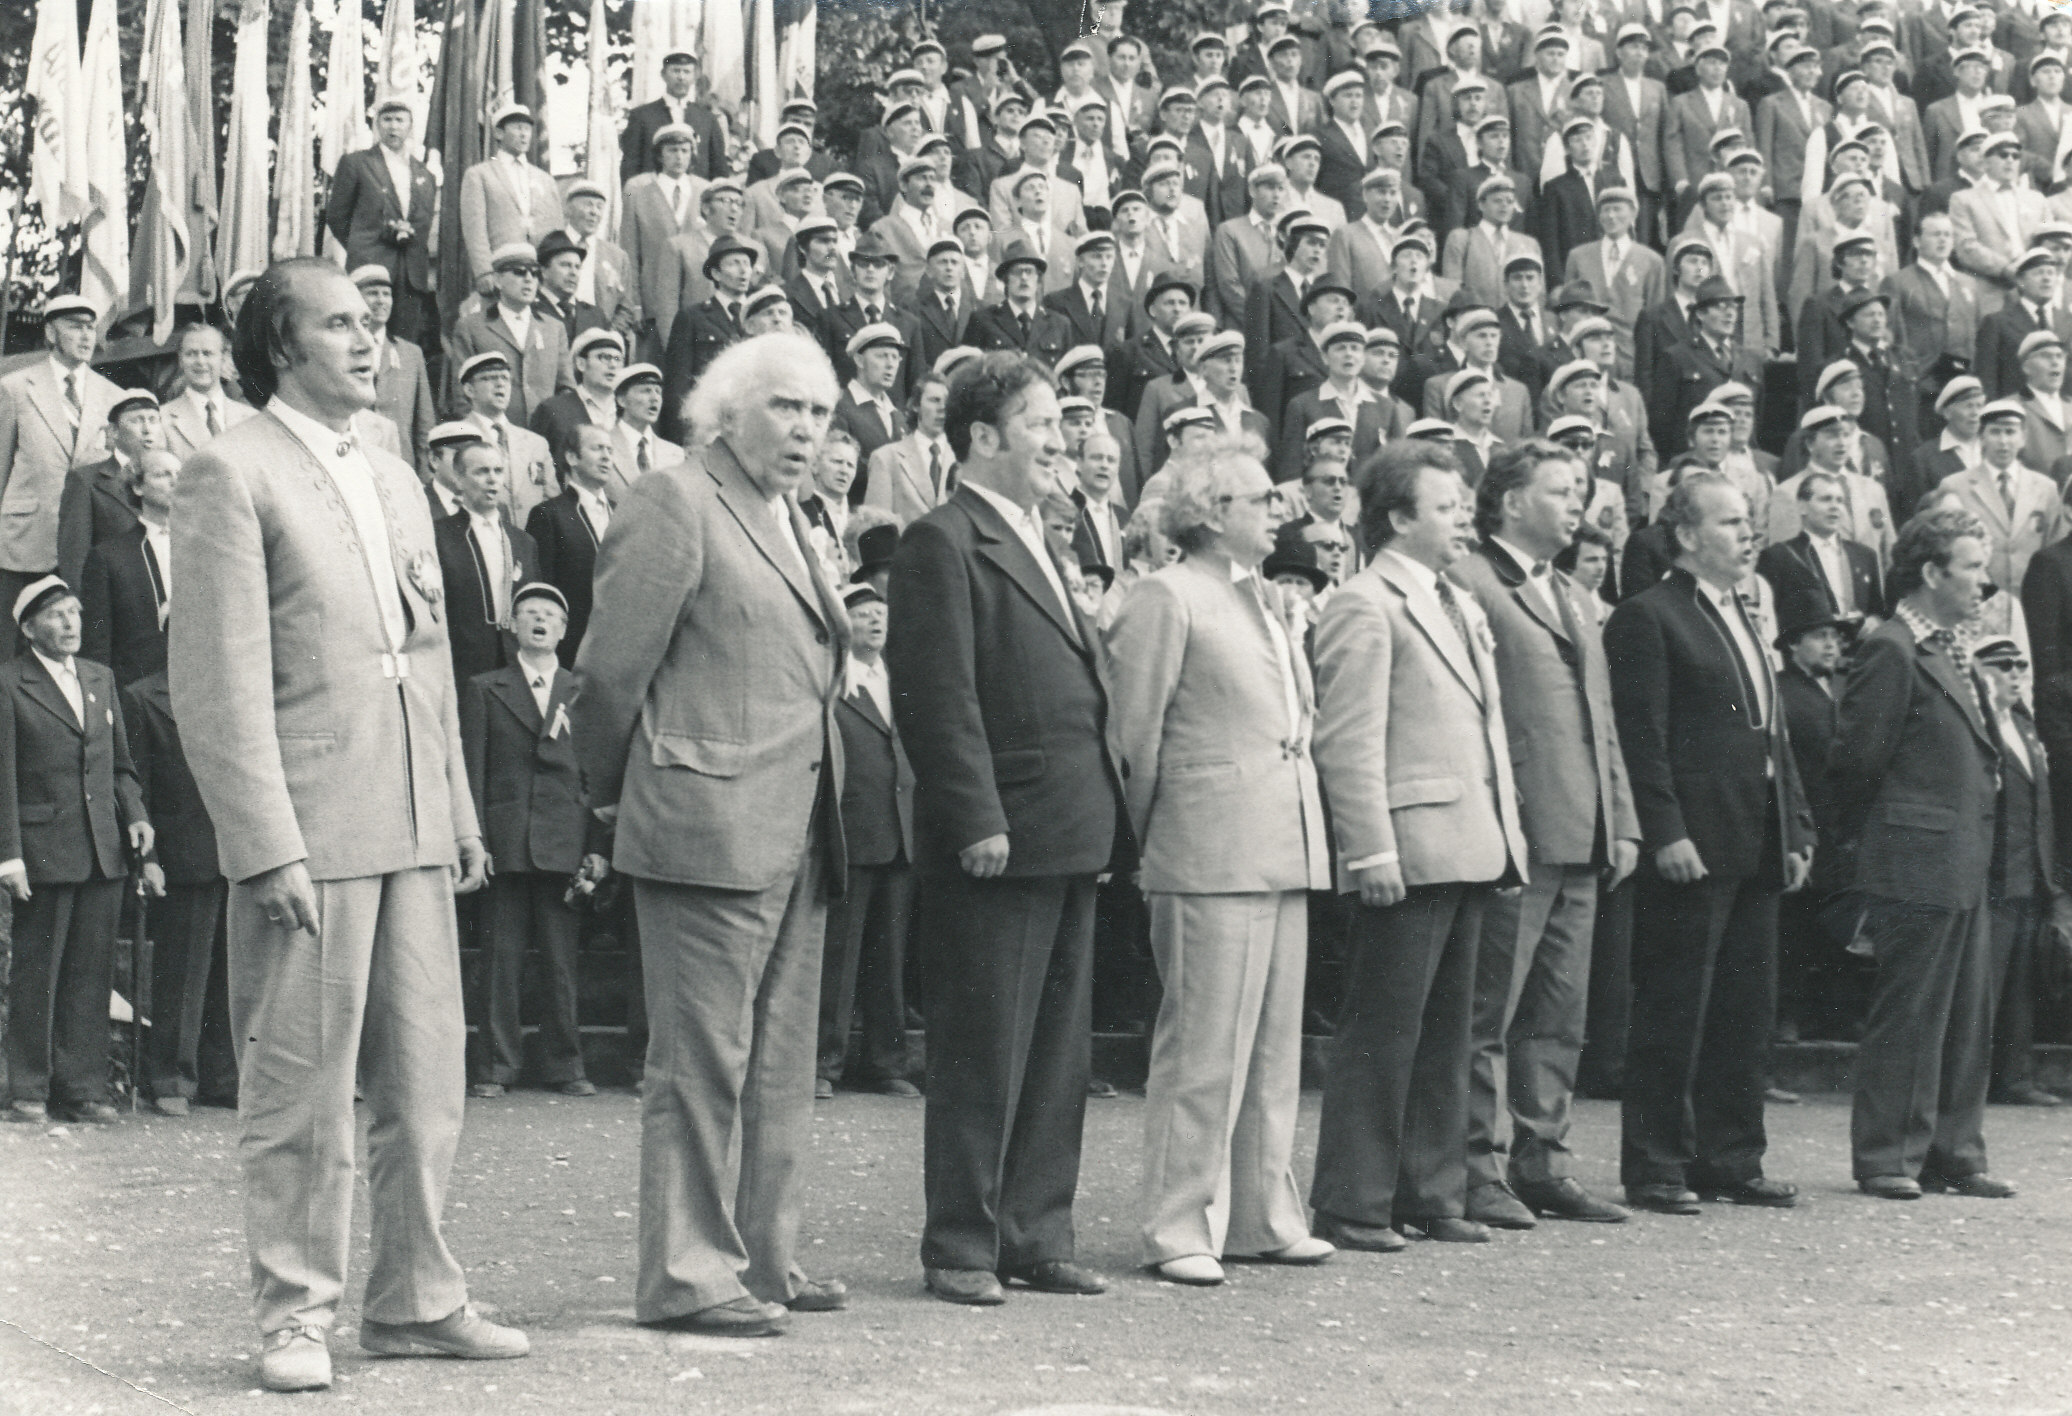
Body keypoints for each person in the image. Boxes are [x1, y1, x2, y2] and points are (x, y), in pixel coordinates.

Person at [170, 259, 521, 1391]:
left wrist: (459, 810)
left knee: (425, 1088)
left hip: (413, 819)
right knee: (301, 1092)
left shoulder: (397, 476)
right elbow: (218, 682)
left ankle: (417, 1298)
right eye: (338, 326)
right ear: (279, 348)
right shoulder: (230, 469)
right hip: (310, 832)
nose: (369, 342)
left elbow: (426, 657)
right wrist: (264, 842)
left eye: (371, 324)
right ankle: (295, 1315)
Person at [571, 332, 850, 1337]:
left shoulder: (789, 515)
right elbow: (607, 676)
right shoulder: (673, 497)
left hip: (799, 826)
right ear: (724, 414)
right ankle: (686, 1276)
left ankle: (762, 1260)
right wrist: (616, 802)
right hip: (705, 823)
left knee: (777, 1061)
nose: (806, 429)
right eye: (785, 407)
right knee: (697, 1064)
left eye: (818, 413)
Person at [885, 350, 1129, 1306]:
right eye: (1040, 424)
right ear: (982, 437)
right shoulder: (940, 541)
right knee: (985, 1046)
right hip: (999, 836)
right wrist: (976, 815)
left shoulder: (1039, 535)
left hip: (1068, 828)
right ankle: (961, 1245)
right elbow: (938, 698)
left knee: (1058, 1053)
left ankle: (1036, 1233)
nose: (1060, 443)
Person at [1105, 440, 1334, 1286]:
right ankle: (1178, 1226)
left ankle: (1263, 1216)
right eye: (1258, 499)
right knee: (1203, 1048)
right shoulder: (1168, 596)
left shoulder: (1267, 601)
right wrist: (1151, 839)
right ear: (1209, 513)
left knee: (1274, 1049)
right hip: (1205, 846)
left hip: (1282, 842)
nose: (1277, 511)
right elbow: (1136, 738)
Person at [1307, 440, 1529, 1253]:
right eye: (1445, 507)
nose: (1463, 518)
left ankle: (1431, 1193)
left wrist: (1508, 838)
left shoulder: (1456, 601)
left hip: (1470, 842)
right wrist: (1370, 853)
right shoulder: (1364, 602)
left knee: (1446, 1036)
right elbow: (1347, 741)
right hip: (1406, 849)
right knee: (1382, 1032)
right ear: (1398, 519)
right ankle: (1353, 1201)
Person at [1604, 473, 1815, 1215]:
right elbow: (1642, 737)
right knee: (1674, 1005)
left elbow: (1773, 735)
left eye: (1749, 522)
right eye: (1730, 523)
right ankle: (1657, 1162)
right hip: (1692, 841)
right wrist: (1665, 830)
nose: (1748, 534)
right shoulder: (1648, 616)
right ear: (1687, 535)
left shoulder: (1745, 614)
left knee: (1744, 1009)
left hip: (1755, 837)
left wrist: (1795, 828)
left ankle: (1730, 1156)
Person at [1451, 441, 1639, 1230]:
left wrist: (1622, 818)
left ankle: (1544, 1159)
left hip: (1582, 835)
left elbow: (1600, 718)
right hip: (1517, 833)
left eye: (1581, 492)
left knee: (1559, 1014)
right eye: (1560, 491)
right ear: (1510, 500)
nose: (1577, 505)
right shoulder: (1472, 581)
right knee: (1489, 1013)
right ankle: (1472, 1166)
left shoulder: (1569, 590)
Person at [1834, 507, 2014, 1199]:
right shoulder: (1891, 649)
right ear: (1931, 572)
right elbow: (1856, 764)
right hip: (1915, 855)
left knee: (1966, 1011)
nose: (1985, 582)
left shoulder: (1944, 647)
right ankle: (1886, 1154)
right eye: (1972, 567)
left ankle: (1952, 1151)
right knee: (1910, 1011)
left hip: (1959, 854)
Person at [0, 574, 152, 1128]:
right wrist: (8, 854)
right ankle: (28, 1090)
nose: (71, 625)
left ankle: (83, 1088)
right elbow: (3, 777)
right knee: (38, 971)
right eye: (58, 615)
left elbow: (120, 767)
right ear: (28, 626)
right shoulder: (10, 683)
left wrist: (135, 816)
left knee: (90, 974)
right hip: (41, 849)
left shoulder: (99, 678)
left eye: (76, 614)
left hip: (102, 848)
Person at [459, 582, 601, 1100]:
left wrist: (595, 846)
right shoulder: (485, 688)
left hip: (564, 841)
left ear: (564, 631)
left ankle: (566, 1065)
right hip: (507, 841)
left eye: (550, 615)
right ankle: (496, 1067)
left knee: (561, 962)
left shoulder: (580, 689)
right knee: (502, 960)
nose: (540, 621)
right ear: (513, 626)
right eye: (529, 614)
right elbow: (472, 769)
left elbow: (594, 772)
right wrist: (473, 837)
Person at [819, 582, 920, 1101]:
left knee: (891, 954)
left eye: (882, 613)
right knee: (839, 953)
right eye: (862, 615)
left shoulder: (900, 680)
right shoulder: (834, 681)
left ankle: (886, 1062)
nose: (875, 622)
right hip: (851, 834)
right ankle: (824, 1062)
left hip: (901, 834)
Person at [123, 657, 235, 1116]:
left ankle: (223, 1078)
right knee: (181, 974)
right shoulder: (143, 696)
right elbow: (136, 785)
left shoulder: (232, 689)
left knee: (231, 974)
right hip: (182, 854)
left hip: (236, 853)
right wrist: (147, 859)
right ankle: (170, 1079)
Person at [1971, 636, 2066, 1107]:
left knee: (2020, 984)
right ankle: (1969, 1081)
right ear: (1979, 672)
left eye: (2019, 666)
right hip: (1994, 873)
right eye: (2002, 665)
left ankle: (2013, 1077)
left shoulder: (2024, 727)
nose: (2014, 674)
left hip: (2029, 873)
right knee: (1983, 983)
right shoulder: (1982, 726)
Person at [0, 296, 123, 648]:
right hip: (26, 538)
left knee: (77, 638)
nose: (86, 336)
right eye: (74, 327)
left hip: (85, 540)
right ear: (51, 333)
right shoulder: (16, 387)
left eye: (90, 328)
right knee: (14, 642)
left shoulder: (112, 396)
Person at [325, 99, 440, 354]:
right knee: (363, 337)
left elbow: (424, 223)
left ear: (411, 127)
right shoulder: (357, 163)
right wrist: (365, 244)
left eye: (400, 120)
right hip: (370, 266)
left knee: (404, 345)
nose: (393, 126)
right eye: (387, 120)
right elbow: (337, 216)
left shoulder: (425, 175)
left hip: (411, 273)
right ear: (377, 125)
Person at [1938, 395, 2070, 593]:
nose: (2003, 441)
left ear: (2023, 437)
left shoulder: (2046, 488)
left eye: (2010, 432)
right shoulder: (1955, 487)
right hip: (1979, 601)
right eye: (1995, 432)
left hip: (2035, 600)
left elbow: (2057, 549)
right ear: (1981, 437)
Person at [78, 449, 176, 689]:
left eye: (180, 473)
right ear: (138, 487)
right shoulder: (108, 556)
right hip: (138, 690)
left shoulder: (206, 547)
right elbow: (96, 646)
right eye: (163, 475)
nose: (176, 481)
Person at [449, 242, 574, 429]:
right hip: (493, 437)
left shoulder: (554, 328)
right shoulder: (471, 327)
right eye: (519, 272)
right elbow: (462, 394)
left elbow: (566, 389)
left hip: (544, 437)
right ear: (498, 280)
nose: (529, 279)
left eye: (534, 273)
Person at [526, 423, 615, 666]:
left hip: (618, 647)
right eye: (597, 448)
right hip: (572, 649)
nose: (607, 456)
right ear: (572, 457)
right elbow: (544, 590)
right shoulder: (549, 514)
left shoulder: (624, 512)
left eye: (610, 450)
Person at [1756, 468, 1889, 628]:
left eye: (1840, 501)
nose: (1835, 507)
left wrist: (1874, 621)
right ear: (1802, 507)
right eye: (1826, 499)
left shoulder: (1865, 555)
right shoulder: (1778, 557)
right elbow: (1772, 618)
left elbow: (1878, 611)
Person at [458, 106, 564, 290]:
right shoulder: (479, 175)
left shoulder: (545, 179)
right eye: (517, 127)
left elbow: (557, 228)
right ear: (499, 133)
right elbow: (475, 229)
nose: (524, 134)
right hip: (502, 271)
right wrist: (484, 272)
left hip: (542, 275)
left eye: (527, 128)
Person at [619, 51, 729, 182]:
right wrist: (631, 199)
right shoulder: (642, 116)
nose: (681, 77)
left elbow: (719, 169)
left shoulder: (708, 119)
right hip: (653, 196)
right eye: (676, 71)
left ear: (694, 77)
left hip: (696, 198)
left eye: (686, 72)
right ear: (663, 75)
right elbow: (629, 169)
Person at [161, 323, 257, 459]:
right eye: (191, 354)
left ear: (223, 358)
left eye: (207, 353)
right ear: (180, 360)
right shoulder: (162, 420)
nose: (200, 361)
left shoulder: (250, 418)